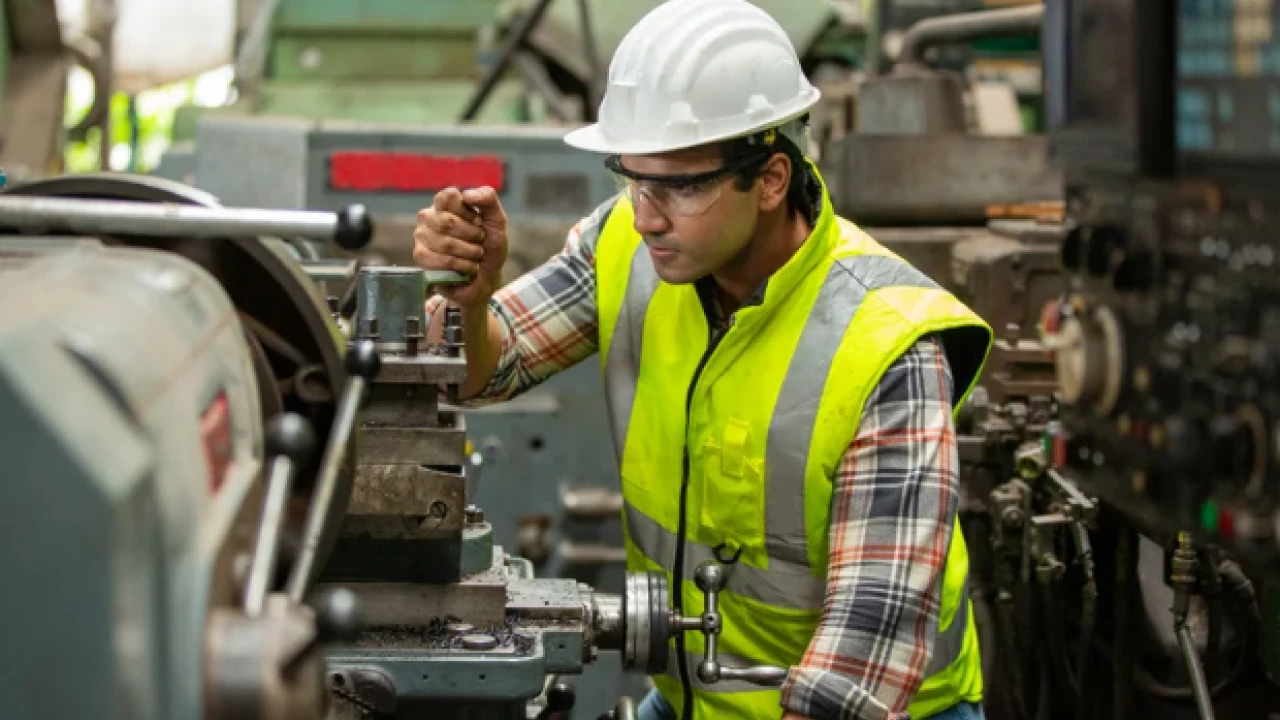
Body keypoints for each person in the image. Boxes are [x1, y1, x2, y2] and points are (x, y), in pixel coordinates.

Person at [413, 1, 993, 718]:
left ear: (771, 179)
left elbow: (859, 672)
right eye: (632, 178)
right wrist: (470, 301)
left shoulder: (889, 345)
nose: (646, 215)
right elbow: (482, 371)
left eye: (680, 187)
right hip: (697, 699)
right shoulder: (626, 244)